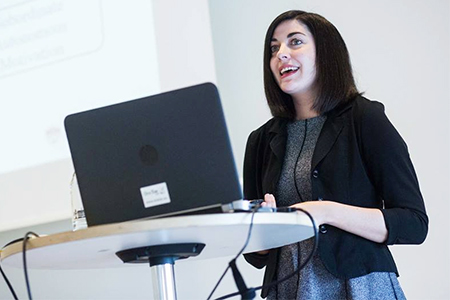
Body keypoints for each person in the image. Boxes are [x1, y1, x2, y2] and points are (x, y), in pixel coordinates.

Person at [243, 10, 428, 300]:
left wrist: (326, 212)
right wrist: (265, 228)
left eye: (295, 42)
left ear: (325, 53)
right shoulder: (260, 140)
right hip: (289, 290)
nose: (282, 55)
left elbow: (413, 224)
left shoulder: (365, 118)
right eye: (274, 48)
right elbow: (255, 254)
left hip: (361, 288)